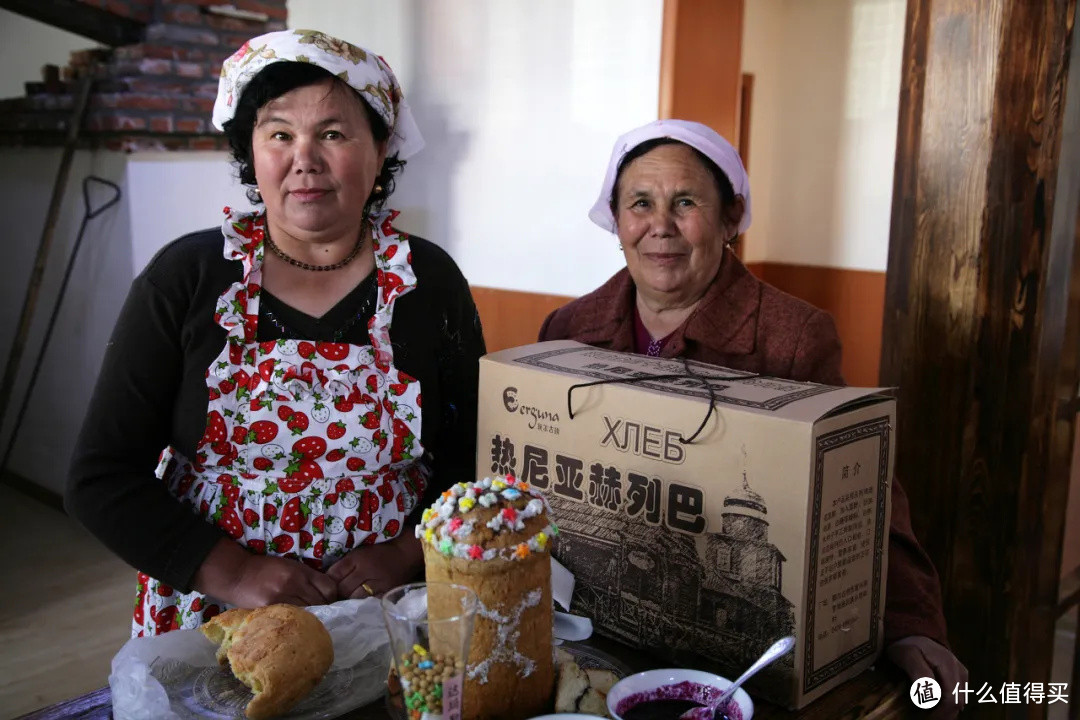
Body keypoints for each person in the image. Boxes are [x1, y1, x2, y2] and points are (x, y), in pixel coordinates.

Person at [539, 119, 968, 716]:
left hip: (736, 664)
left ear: (730, 217)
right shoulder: (568, 331)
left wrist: (908, 622)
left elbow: (860, 486)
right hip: (594, 633)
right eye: (640, 203)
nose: (660, 224)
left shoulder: (791, 337)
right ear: (617, 221)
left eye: (685, 202)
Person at [66, 30, 485, 636]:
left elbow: (471, 452)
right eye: (279, 134)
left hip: (394, 612)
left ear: (381, 146)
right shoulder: (188, 277)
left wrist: (406, 554)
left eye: (333, 134)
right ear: (251, 149)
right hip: (218, 617)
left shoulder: (429, 281)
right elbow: (99, 477)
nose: (304, 159)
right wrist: (233, 571)